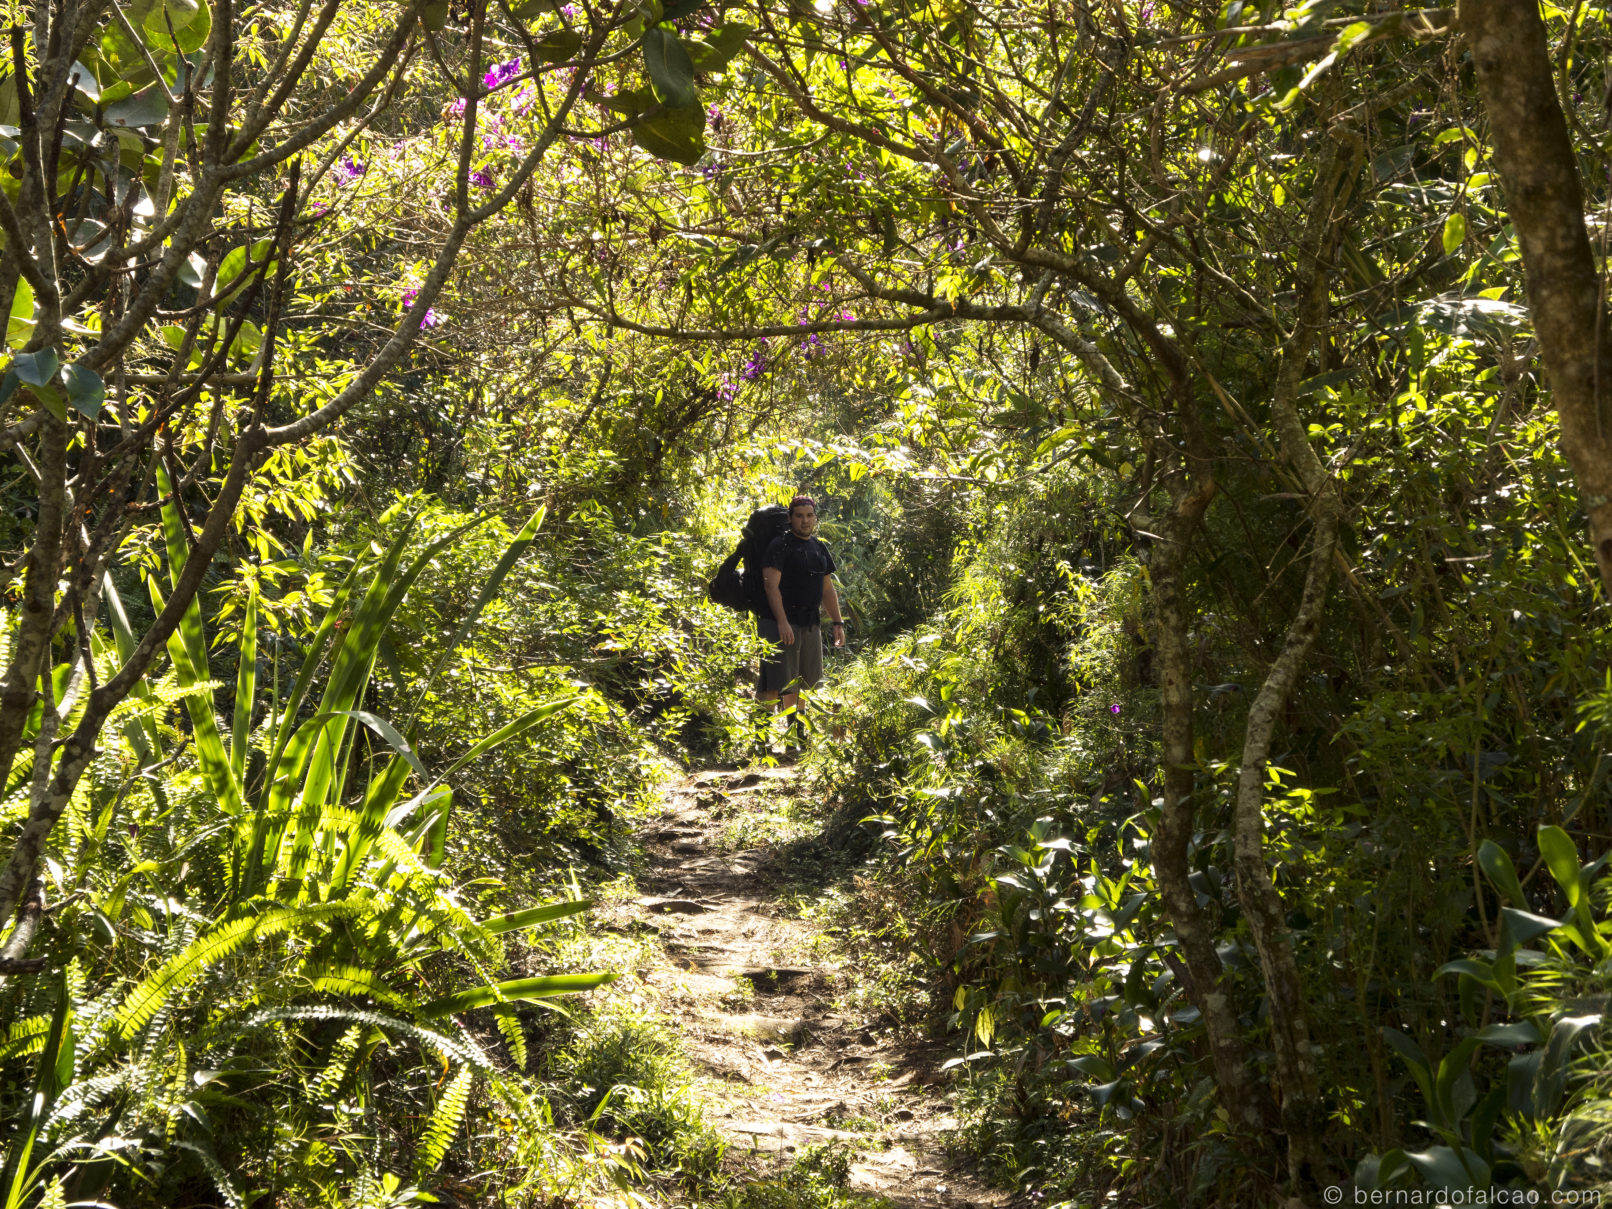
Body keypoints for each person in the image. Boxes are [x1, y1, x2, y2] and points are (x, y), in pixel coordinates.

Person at [757, 495, 845, 725]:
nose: (804, 521)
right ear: (790, 518)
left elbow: (827, 588)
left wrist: (838, 622)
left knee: (803, 682)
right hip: (779, 623)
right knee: (775, 682)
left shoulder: (818, 547)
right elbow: (770, 585)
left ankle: (797, 736)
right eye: (799, 516)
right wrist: (782, 622)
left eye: (809, 516)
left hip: (809, 623)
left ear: (815, 518)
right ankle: (761, 740)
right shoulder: (779, 546)